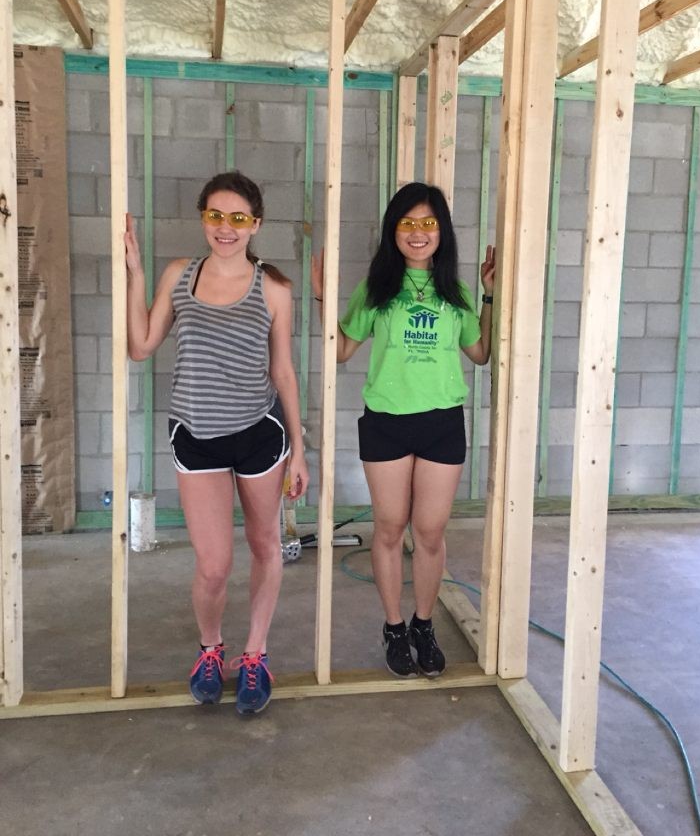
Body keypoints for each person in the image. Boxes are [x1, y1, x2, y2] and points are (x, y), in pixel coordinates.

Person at [125, 170, 308, 714]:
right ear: (203, 218)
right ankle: (210, 649)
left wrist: (300, 450)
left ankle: (255, 653)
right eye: (215, 216)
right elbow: (141, 346)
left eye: (237, 218)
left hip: (258, 434)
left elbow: (283, 371)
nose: (225, 227)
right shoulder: (180, 274)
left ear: (256, 224)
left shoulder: (274, 289)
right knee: (213, 566)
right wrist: (136, 274)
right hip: (197, 436)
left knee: (264, 545)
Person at [312, 182, 494, 679]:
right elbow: (341, 351)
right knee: (390, 528)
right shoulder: (377, 289)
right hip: (387, 424)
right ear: (393, 230)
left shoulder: (455, 293)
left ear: (442, 231)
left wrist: (489, 294)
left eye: (427, 223)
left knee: (430, 532)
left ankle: (423, 624)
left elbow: (480, 353)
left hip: (442, 425)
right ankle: (394, 626)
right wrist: (323, 297)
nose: (417, 233)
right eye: (407, 223)